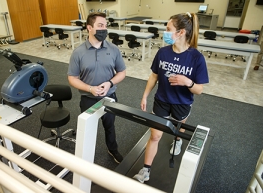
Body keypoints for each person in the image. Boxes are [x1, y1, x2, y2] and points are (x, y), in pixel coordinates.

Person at [133, 12, 209, 183]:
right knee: (155, 136)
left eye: (168, 29)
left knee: (179, 129)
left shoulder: (196, 58)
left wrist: (187, 82)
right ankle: (145, 171)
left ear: (181, 32)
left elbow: (199, 90)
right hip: (161, 100)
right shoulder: (163, 52)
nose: (165, 32)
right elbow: (154, 76)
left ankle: (177, 140)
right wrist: (145, 95)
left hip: (182, 103)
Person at [67, 12, 126, 163]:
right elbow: (72, 78)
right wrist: (89, 88)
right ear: (89, 28)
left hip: (109, 97)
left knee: (110, 126)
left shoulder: (113, 49)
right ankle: (86, 157)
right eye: (100, 26)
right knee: (87, 130)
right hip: (88, 98)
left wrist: (110, 83)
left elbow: (122, 72)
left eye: (105, 26)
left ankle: (112, 149)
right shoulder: (78, 52)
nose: (104, 29)